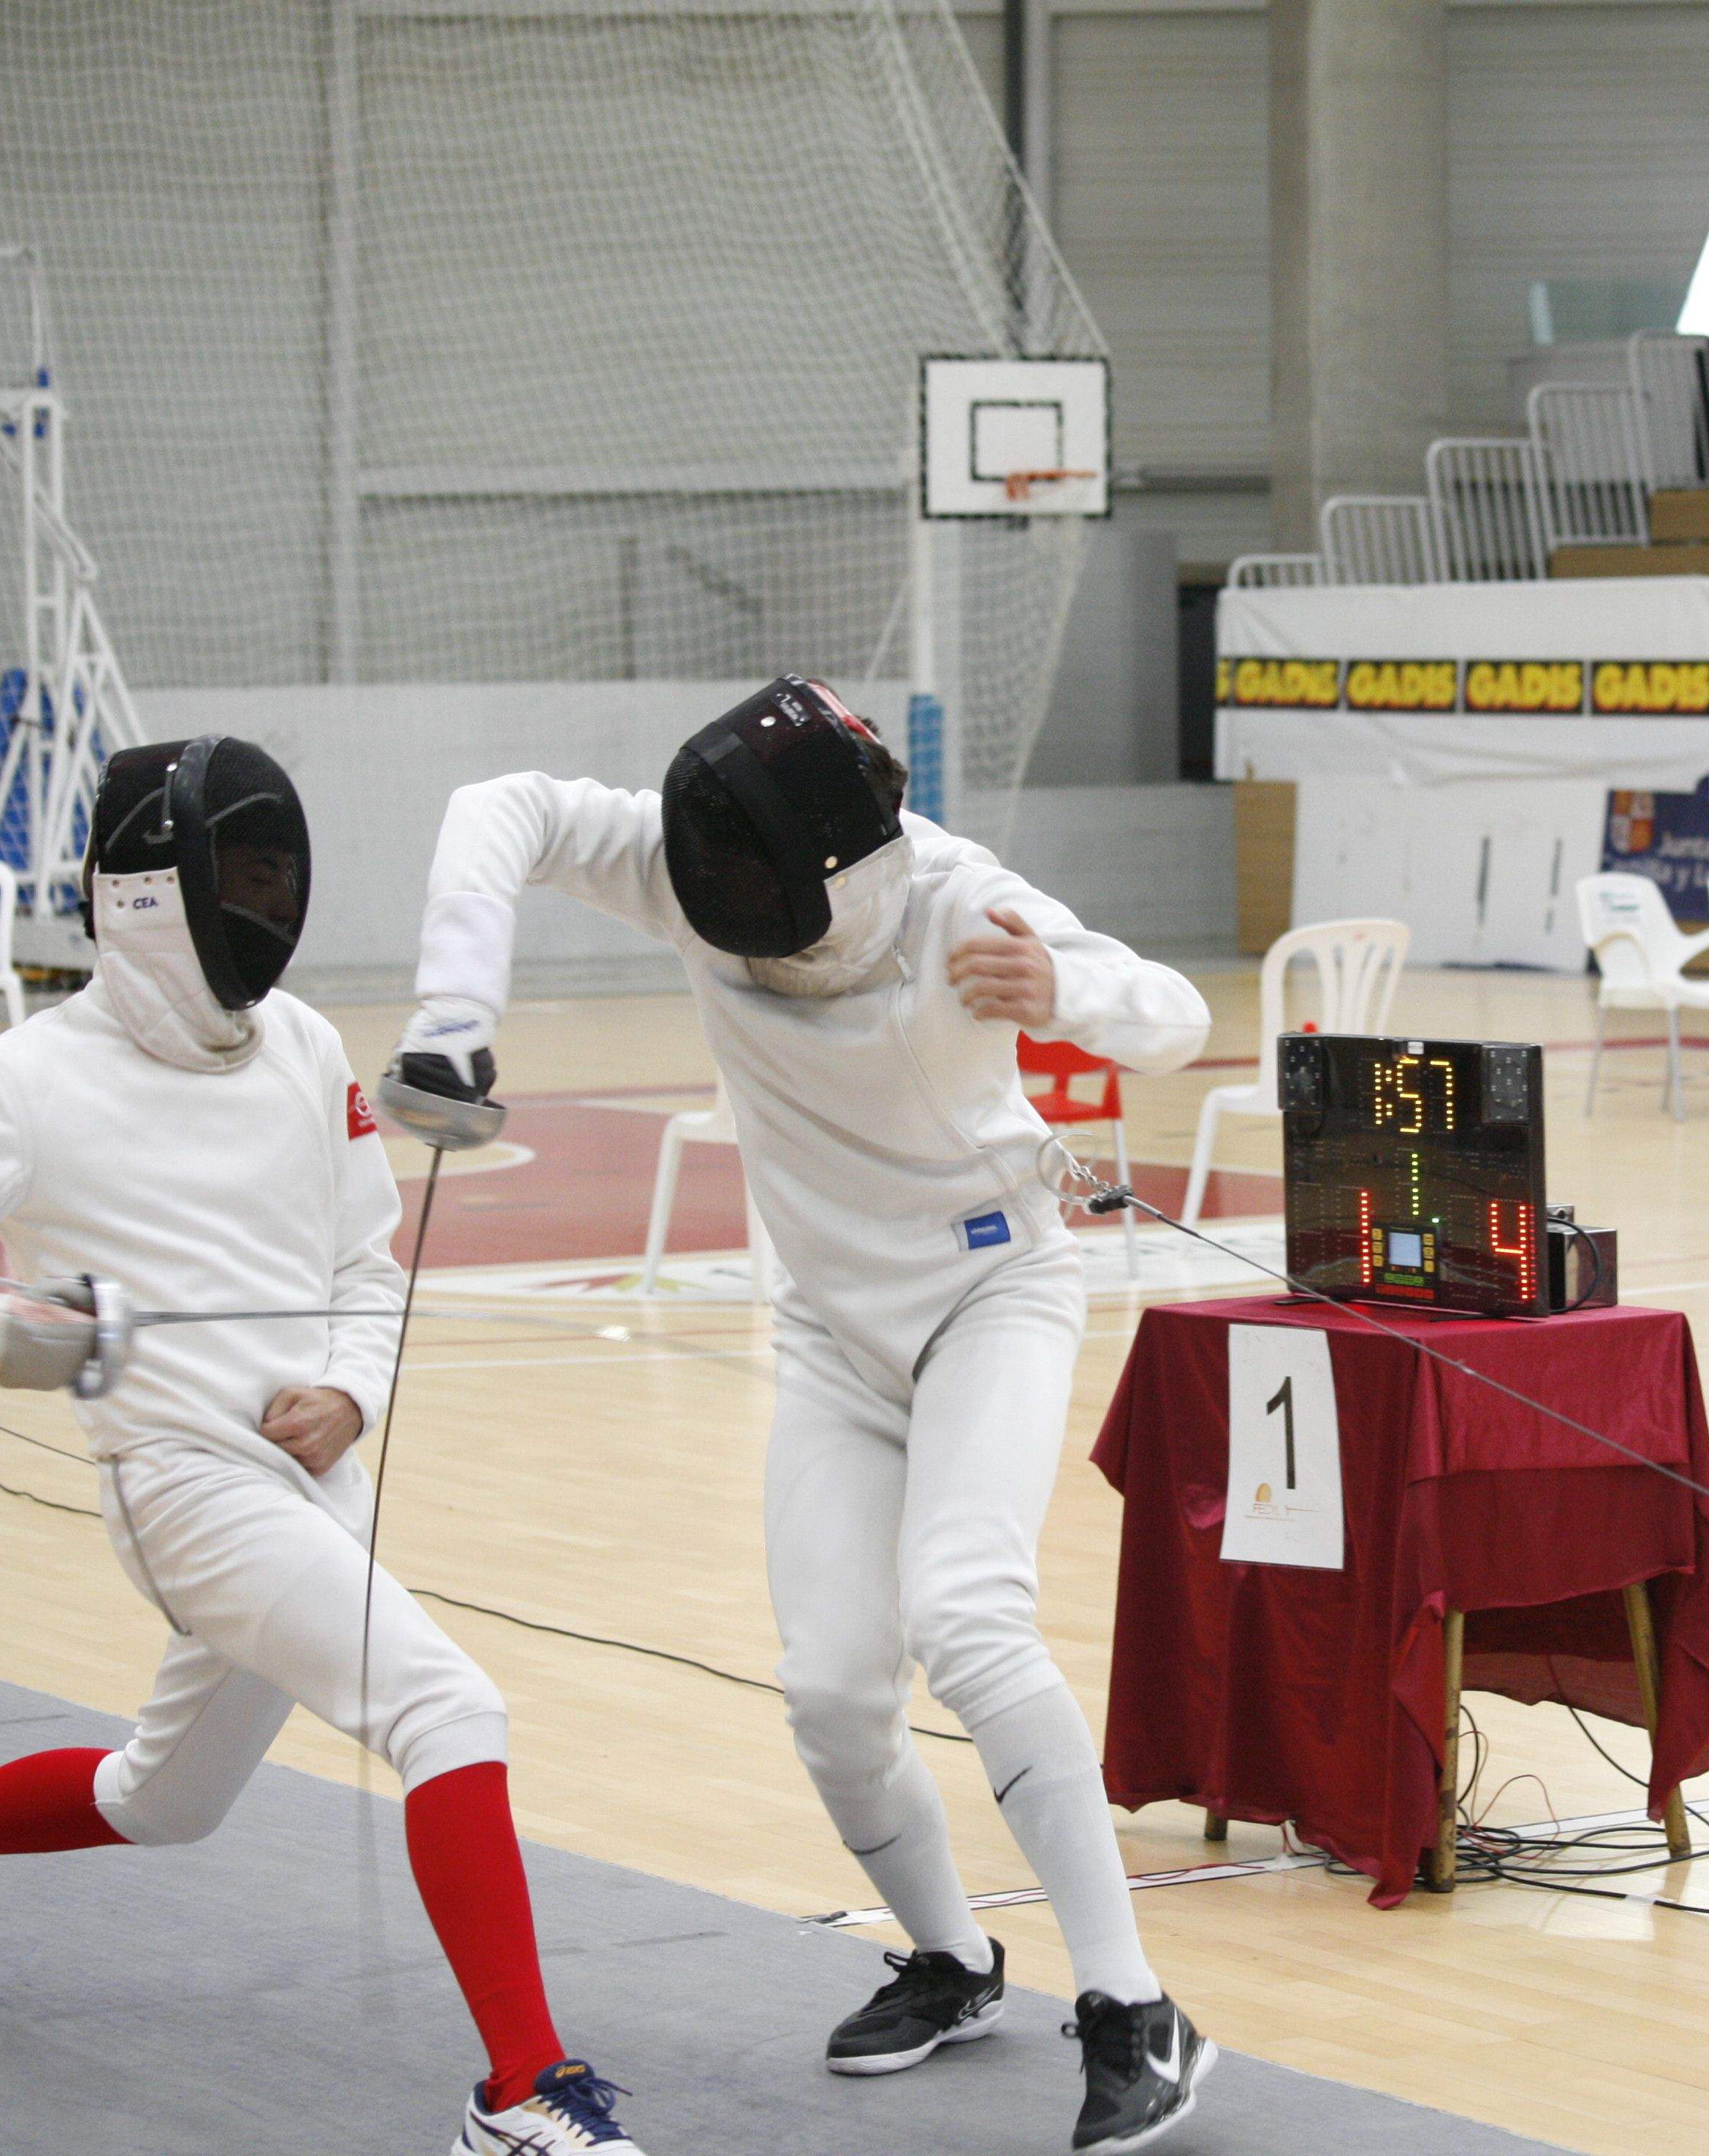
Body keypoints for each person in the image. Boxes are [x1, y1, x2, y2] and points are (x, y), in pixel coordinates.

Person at [0, 736, 646, 2156]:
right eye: (238, 870)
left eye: (278, 870)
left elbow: (367, 1262)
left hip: (313, 1485)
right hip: (181, 1490)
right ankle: (522, 2096)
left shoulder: (300, 1045)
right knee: (448, 1708)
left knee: (160, 1802)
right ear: (147, 894)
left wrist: (353, 1390)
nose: (267, 897)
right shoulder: (24, 1083)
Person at [392, 677, 1217, 2152]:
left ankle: (1133, 2009)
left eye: (750, 883)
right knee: (834, 1689)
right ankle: (956, 1961)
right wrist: (455, 1014)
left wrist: (1068, 994)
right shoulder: (693, 870)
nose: (716, 902)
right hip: (835, 1333)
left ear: (841, 867)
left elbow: (1178, 1014)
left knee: (966, 1614)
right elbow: (496, 809)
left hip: (990, 1299)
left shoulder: (963, 901)